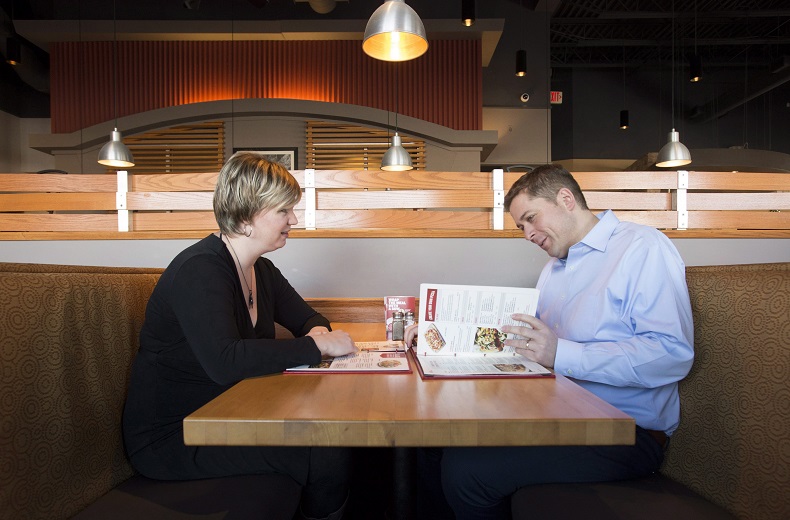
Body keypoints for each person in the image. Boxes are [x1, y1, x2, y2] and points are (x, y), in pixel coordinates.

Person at [407, 164, 694, 520]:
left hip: (624, 431)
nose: (527, 234)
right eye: (521, 227)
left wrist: (561, 353)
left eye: (531, 218)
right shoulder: (553, 269)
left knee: (466, 471)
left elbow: (671, 355)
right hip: (553, 415)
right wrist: (440, 334)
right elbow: (526, 343)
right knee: (433, 440)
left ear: (565, 199)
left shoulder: (641, 248)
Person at [122, 152, 358, 520]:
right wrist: (316, 344)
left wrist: (316, 331)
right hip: (177, 436)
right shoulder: (199, 269)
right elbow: (224, 362)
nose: (294, 220)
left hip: (233, 415)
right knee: (324, 447)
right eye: (284, 211)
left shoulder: (261, 270)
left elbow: (310, 318)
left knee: (334, 436)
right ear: (247, 215)